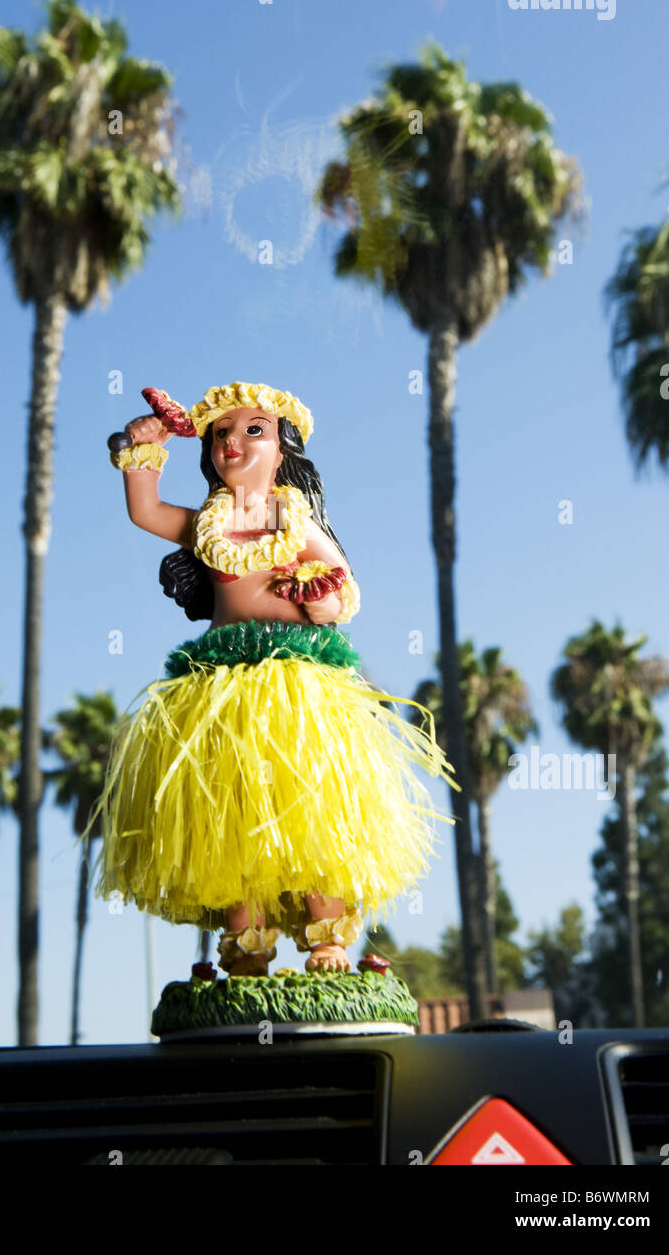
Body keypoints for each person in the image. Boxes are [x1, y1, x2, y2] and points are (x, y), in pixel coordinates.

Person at [94, 381, 457, 977]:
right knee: (232, 816)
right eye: (220, 434)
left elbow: (341, 583)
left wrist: (322, 600)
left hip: (301, 687)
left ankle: (327, 940)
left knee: (309, 811)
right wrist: (143, 448)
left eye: (252, 430)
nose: (233, 442)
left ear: (282, 449)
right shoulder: (209, 521)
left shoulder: (296, 519)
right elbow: (146, 512)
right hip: (220, 691)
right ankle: (245, 946)